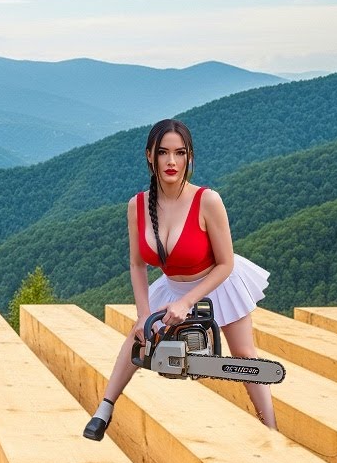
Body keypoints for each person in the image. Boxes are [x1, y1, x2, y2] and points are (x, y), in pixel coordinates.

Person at [82, 118, 277, 440]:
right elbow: (137, 265)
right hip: (173, 285)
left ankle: (271, 427)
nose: (171, 162)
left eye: (179, 153)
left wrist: (188, 302)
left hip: (218, 282)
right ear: (150, 156)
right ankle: (104, 408)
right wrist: (144, 316)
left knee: (243, 354)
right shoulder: (137, 206)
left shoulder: (208, 201)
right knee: (136, 337)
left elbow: (226, 263)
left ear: (189, 157)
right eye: (163, 153)